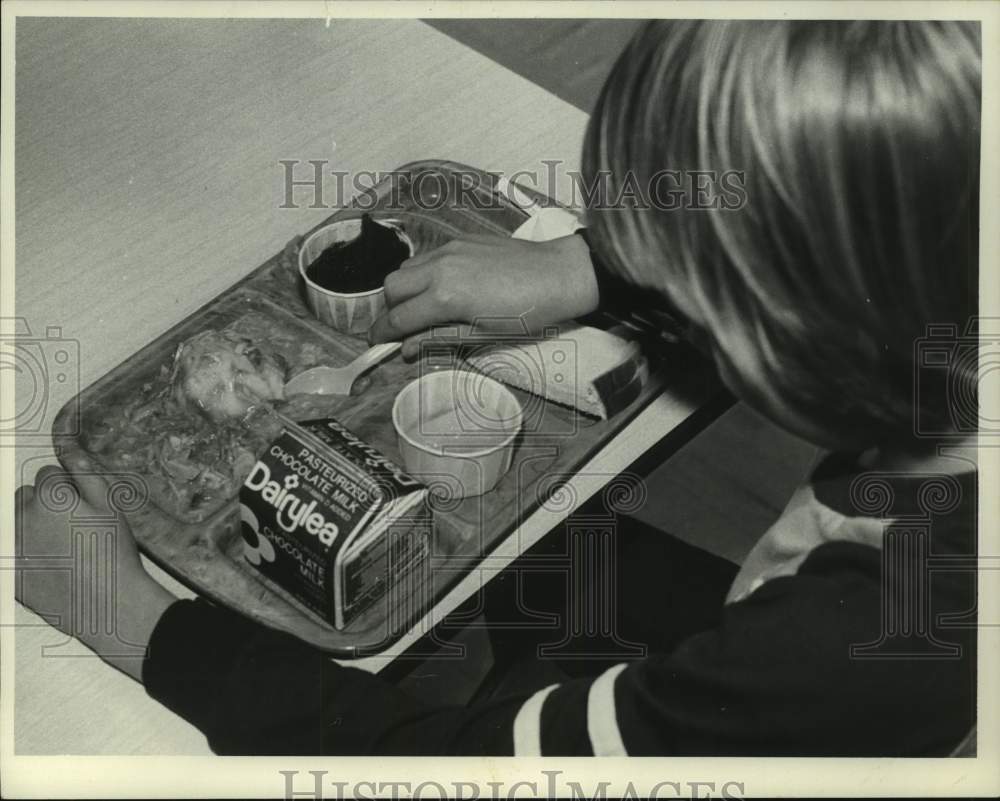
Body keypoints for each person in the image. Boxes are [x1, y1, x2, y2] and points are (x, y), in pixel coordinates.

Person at [16, 19, 979, 756]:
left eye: (689, 286)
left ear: (791, 336)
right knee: (541, 565)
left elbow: (461, 771)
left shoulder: (867, 643)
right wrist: (587, 267)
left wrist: (133, 623)